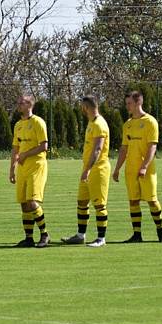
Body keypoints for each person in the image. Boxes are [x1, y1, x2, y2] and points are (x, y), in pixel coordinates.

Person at [112, 90, 162, 243]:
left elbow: (152, 147)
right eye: (126, 104)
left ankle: (161, 232)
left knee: (152, 201)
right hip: (130, 170)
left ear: (139, 102)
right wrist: (117, 169)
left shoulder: (150, 122)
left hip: (146, 170)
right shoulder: (127, 125)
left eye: (129, 103)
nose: (127, 106)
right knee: (133, 201)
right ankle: (137, 235)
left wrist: (144, 167)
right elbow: (124, 149)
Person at [62, 96, 109, 248]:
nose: (82, 110)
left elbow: (97, 149)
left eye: (83, 107)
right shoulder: (91, 123)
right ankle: (80, 235)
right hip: (88, 168)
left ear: (87, 107)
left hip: (98, 169)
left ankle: (101, 238)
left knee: (99, 205)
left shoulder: (99, 124)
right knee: (82, 202)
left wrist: (87, 170)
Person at [10, 94, 50, 248]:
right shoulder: (18, 125)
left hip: (36, 166)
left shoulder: (38, 122)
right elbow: (15, 148)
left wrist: (26, 154)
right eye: (18, 102)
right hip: (22, 168)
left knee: (32, 202)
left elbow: (44, 146)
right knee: (23, 203)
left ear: (29, 105)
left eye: (21, 103)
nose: (18, 105)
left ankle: (45, 234)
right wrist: (12, 169)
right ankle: (28, 238)